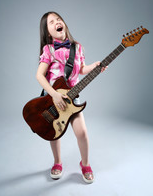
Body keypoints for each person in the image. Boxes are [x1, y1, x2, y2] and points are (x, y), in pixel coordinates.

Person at [36, 11, 106, 184]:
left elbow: (81, 69)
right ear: (47, 32)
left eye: (58, 19)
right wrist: (53, 95)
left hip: (71, 97)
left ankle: (86, 164)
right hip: (52, 98)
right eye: (51, 22)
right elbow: (39, 75)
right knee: (54, 133)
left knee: (82, 133)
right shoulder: (49, 49)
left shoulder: (77, 47)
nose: (57, 22)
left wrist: (94, 67)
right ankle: (57, 162)